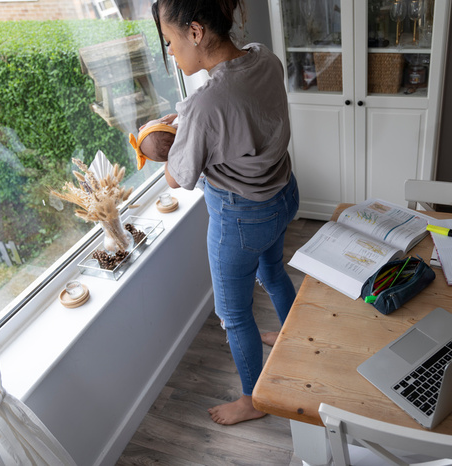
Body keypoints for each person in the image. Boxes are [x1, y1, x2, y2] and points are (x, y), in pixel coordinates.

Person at [152, 0, 299, 425]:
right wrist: (190, 125)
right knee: (273, 273)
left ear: (195, 32)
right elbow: (241, 116)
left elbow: (177, 178)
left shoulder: (204, 105)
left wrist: (161, 142)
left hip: (241, 220)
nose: (172, 55)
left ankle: (254, 400)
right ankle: (293, 339)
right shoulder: (264, 58)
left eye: (171, 42)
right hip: (282, 197)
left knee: (234, 315)